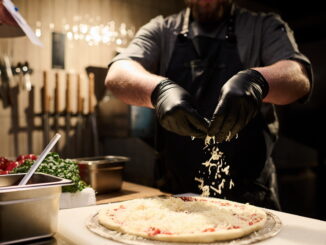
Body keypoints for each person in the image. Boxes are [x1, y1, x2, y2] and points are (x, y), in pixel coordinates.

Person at [105, 0, 313, 210]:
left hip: (250, 195)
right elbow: (118, 73)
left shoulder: (262, 26)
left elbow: (299, 75)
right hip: (175, 194)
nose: (205, 1)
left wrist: (257, 82)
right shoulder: (161, 29)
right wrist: (159, 91)